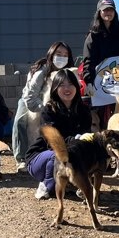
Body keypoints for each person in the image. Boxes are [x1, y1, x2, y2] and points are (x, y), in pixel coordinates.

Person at [25, 68, 93, 199]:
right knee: (58, 154)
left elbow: (86, 138)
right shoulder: (48, 110)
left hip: (71, 155)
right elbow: (52, 142)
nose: (67, 89)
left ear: (77, 87)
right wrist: (77, 139)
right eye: (62, 85)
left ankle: (74, 184)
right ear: (55, 88)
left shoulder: (84, 110)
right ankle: (45, 184)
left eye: (71, 84)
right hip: (42, 158)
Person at [12, 41, 74, 173]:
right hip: (32, 100)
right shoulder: (42, 70)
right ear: (51, 54)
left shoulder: (69, 71)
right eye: (58, 54)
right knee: (21, 122)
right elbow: (30, 96)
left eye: (65, 54)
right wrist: (46, 109)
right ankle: (21, 157)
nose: (62, 57)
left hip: (55, 102)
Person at [81, 0, 119, 130]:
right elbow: (88, 60)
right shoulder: (93, 36)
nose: (108, 13)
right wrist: (88, 81)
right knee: (100, 118)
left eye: (110, 10)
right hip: (99, 85)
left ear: (115, 12)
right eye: (105, 10)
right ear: (99, 13)